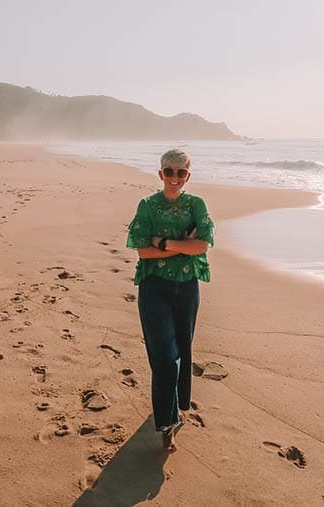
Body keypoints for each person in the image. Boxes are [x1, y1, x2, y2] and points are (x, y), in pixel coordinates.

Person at [126, 148, 214, 454]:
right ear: (160, 173)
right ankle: (166, 424)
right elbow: (142, 251)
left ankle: (176, 405)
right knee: (164, 355)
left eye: (181, 172)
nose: (175, 177)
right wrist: (183, 245)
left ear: (188, 175)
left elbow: (203, 245)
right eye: (169, 171)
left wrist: (164, 243)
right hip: (154, 288)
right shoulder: (148, 206)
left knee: (183, 350)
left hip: (187, 287)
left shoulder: (196, 204)